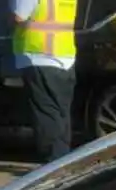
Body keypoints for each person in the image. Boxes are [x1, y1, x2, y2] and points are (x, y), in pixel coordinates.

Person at [11, 0, 77, 161]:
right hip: (64, 55)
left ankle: (54, 163)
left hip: (39, 55)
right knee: (61, 114)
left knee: (47, 114)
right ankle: (63, 160)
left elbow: (18, 17)